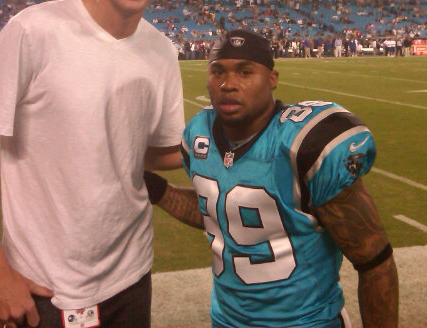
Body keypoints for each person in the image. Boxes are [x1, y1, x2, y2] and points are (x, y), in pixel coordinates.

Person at [0, 0, 184, 328]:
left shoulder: (162, 50)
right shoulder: (35, 30)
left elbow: (147, 152)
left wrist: (229, 142)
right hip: (42, 284)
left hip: (131, 275)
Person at [144, 29, 399, 327]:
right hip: (226, 320)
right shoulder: (200, 133)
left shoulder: (303, 145)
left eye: (245, 72)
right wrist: (157, 189)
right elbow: (219, 212)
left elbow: (374, 261)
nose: (228, 84)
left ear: (272, 78)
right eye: (218, 71)